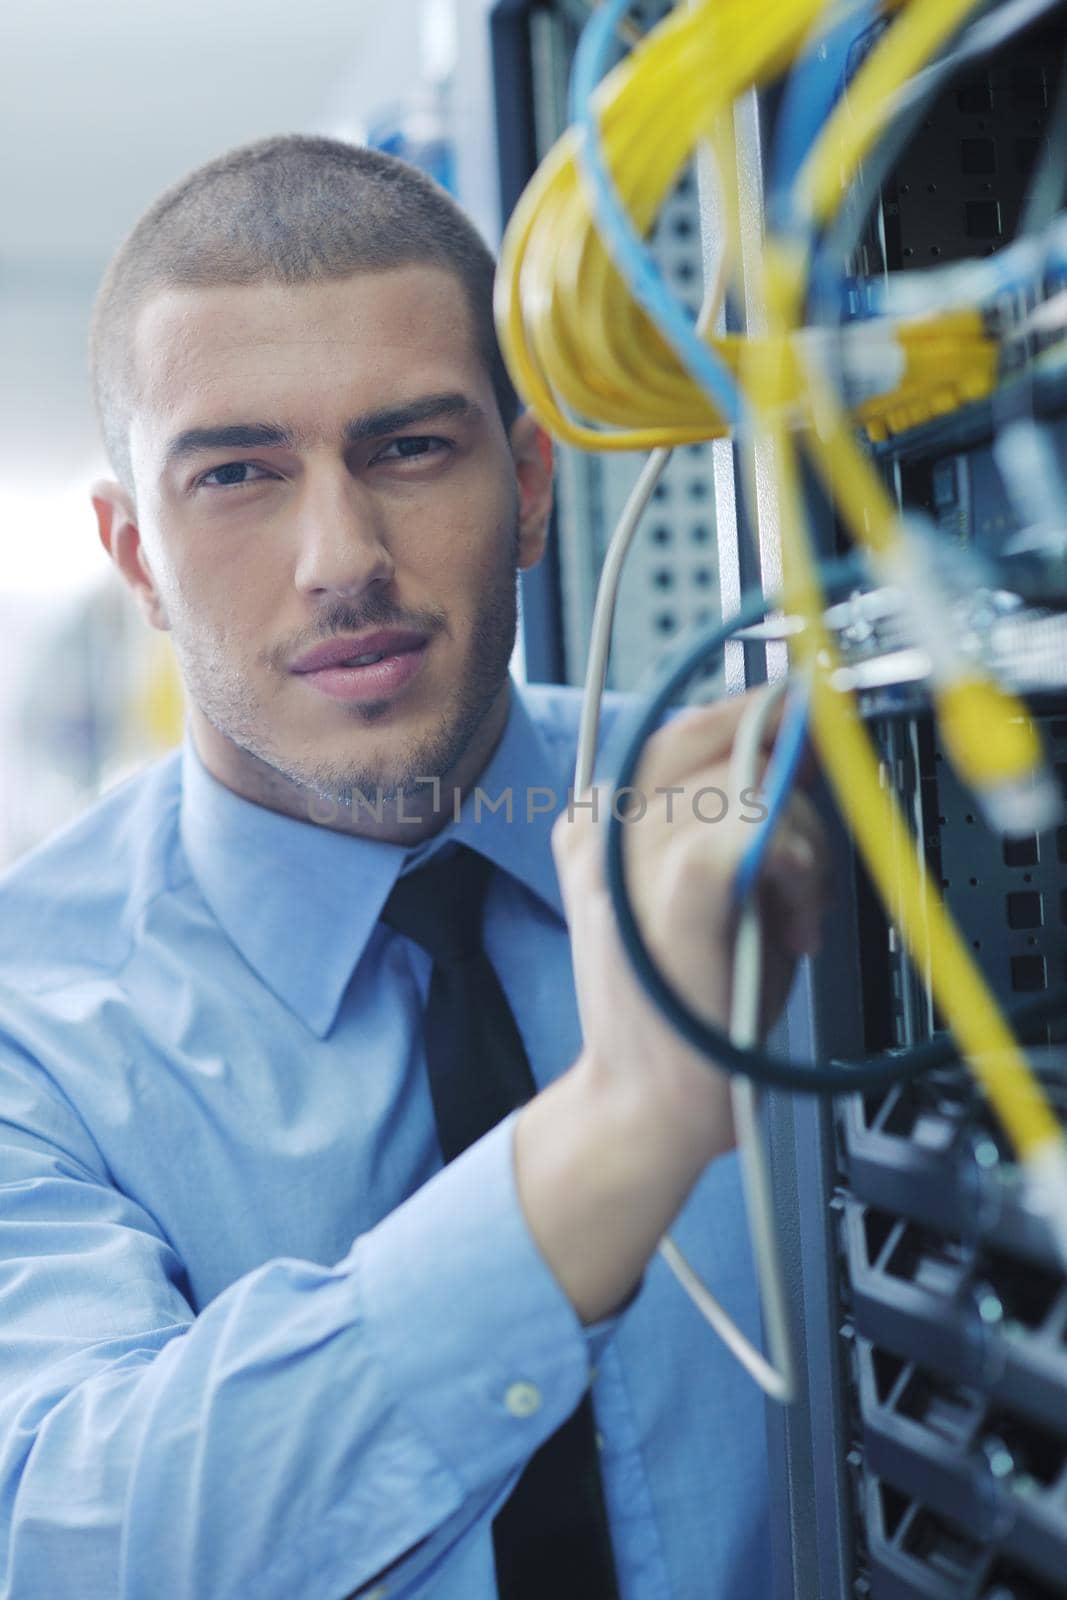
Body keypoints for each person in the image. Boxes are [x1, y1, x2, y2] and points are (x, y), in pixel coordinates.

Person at [0, 135, 826, 1599]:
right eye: (239, 473)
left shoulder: (768, 825)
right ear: (136, 556)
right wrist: (615, 1140)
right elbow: (72, 1534)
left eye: (409, 447)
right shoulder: (30, 1018)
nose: (341, 556)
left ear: (527, 487)